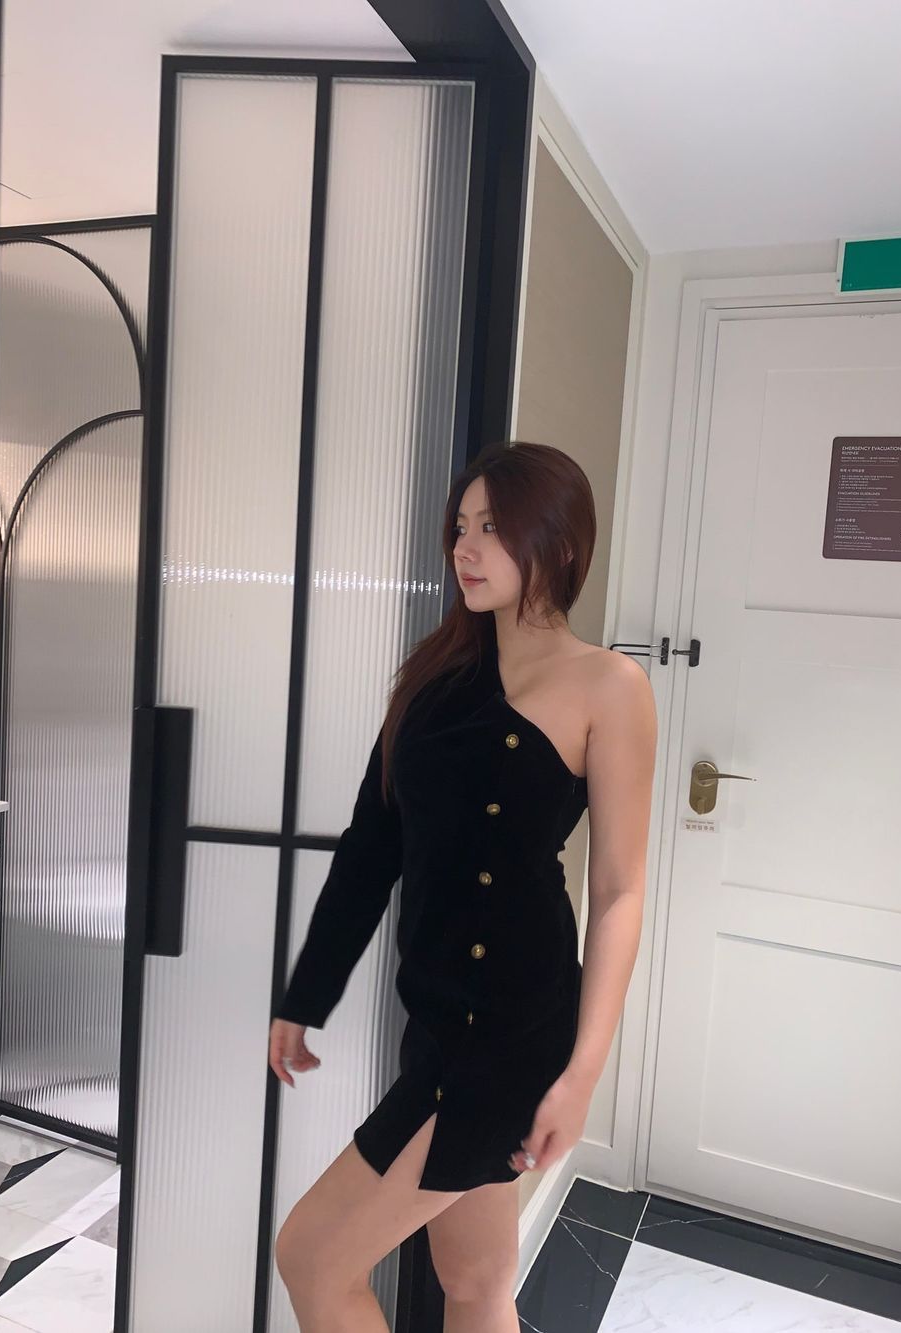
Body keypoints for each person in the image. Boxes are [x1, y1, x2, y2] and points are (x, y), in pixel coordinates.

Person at [269, 441, 657, 1331]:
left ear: (559, 544)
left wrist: (581, 1076)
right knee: (474, 1279)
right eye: (461, 526)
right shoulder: (435, 680)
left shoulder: (608, 685)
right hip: (439, 1017)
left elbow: (620, 891)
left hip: (512, 1033)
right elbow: (371, 850)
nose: (465, 548)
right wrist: (307, 994)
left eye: (492, 528)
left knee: (313, 1257)